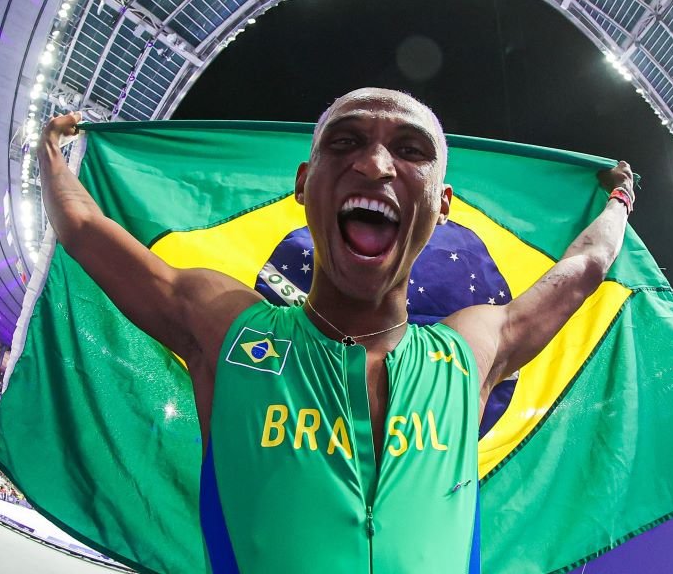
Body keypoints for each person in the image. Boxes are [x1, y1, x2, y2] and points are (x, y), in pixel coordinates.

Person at [39, 89, 634, 571]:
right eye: (345, 142)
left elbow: (584, 269)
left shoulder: (471, 352)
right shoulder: (230, 331)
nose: (375, 164)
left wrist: (618, 204)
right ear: (303, 183)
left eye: (411, 150)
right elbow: (85, 229)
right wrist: (53, 157)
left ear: (443, 203)